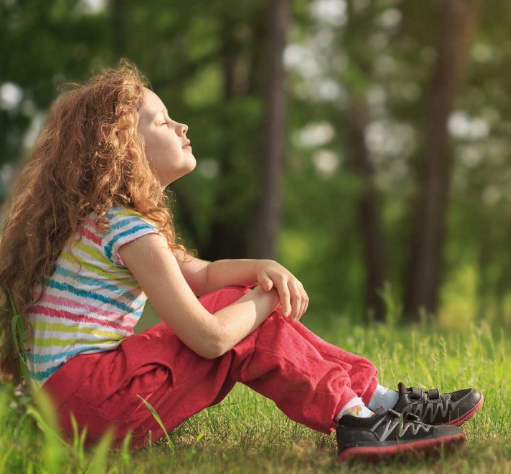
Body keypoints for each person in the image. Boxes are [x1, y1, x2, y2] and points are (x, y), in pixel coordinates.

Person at [0, 59, 483, 462]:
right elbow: (210, 340)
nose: (182, 126)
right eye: (163, 121)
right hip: (95, 403)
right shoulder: (126, 229)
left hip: (71, 410)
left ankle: (377, 402)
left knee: (237, 301)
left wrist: (261, 268)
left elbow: (202, 275)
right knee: (245, 320)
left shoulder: (99, 223)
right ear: (122, 149)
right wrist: (262, 301)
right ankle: (360, 419)